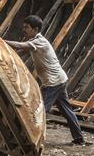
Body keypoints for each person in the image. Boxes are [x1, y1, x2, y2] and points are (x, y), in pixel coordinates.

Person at [5, 15, 89, 146]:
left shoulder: (40, 41)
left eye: (27, 27)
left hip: (53, 82)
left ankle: (31, 139)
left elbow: (22, 45)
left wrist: (1, 41)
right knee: (67, 110)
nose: (24, 30)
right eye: (24, 27)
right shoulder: (35, 42)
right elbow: (22, 50)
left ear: (35, 29)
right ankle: (79, 139)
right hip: (59, 79)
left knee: (40, 110)